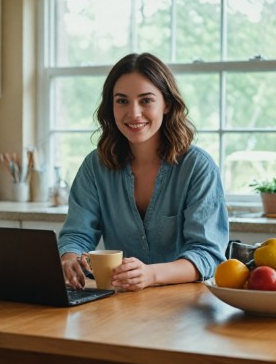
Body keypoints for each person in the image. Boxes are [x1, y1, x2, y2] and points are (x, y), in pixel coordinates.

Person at [58, 52, 228, 292]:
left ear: (167, 104)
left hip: (183, 309)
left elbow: (208, 255)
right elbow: (77, 234)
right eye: (122, 101)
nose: (134, 113)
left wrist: (151, 274)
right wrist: (69, 257)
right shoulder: (95, 167)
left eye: (146, 100)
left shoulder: (197, 167)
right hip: (119, 306)